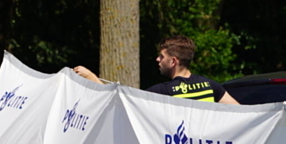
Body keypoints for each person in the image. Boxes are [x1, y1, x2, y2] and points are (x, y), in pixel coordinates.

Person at [73, 35, 239, 103]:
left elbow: (123, 104)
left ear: (173, 61)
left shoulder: (163, 92)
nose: (157, 60)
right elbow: (243, 114)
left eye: (162, 56)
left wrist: (92, 78)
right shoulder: (211, 86)